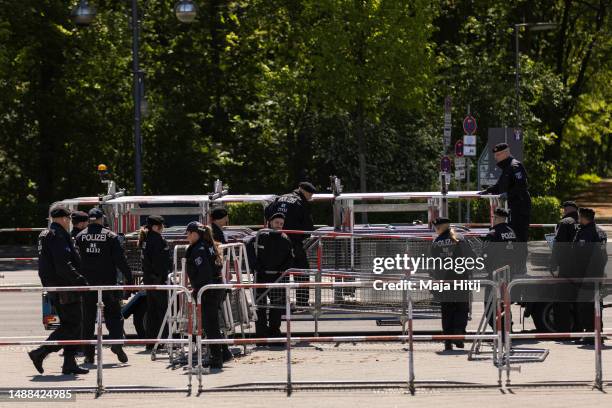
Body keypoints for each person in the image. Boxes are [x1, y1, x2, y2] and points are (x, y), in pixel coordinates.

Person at [28, 204, 89, 375]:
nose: (70, 222)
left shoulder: (46, 233)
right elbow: (63, 264)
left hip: (56, 286)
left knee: (71, 324)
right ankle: (41, 352)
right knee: (74, 324)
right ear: (63, 219)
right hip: (65, 287)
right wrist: (79, 280)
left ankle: (69, 363)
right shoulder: (57, 235)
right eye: (69, 219)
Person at [75, 208, 133, 364]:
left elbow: (75, 261)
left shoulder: (80, 236)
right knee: (114, 315)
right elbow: (120, 260)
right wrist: (130, 277)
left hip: (87, 285)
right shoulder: (110, 236)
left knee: (87, 319)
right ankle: (116, 343)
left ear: (89, 220)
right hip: (108, 284)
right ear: (101, 219)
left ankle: (88, 355)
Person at [266, 181, 316, 307]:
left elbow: (267, 213)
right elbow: (308, 227)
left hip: (275, 242)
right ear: (305, 192)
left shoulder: (279, 198)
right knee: (302, 272)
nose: (310, 198)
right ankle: (302, 302)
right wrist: (303, 237)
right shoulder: (301, 202)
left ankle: (280, 304)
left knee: (280, 273)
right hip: (294, 243)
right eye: (310, 195)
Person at [429, 217, 474, 351]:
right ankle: (459, 335)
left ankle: (448, 341)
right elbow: (472, 257)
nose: (435, 230)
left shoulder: (436, 242)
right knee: (461, 309)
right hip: (461, 280)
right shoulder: (461, 238)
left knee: (447, 311)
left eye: (436, 228)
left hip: (445, 281)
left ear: (441, 227)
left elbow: (433, 265)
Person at [184, 222, 225, 369]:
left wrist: (200, 291)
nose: (187, 237)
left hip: (208, 291)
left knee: (210, 325)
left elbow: (204, 273)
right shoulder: (207, 244)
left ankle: (217, 358)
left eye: (188, 233)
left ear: (195, 233)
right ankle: (224, 353)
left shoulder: (199, 249)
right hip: (214, 288)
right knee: (213, 323)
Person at [249, 213, 294, 339]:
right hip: (261, 276)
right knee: (259, 306)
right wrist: (256, 266)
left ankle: (274, 333)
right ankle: (261, 335)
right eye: (276, 223)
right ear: (270, 222)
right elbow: (249, 249)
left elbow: (290, 258)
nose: (278, 226)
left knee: (277, 307)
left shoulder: (285, 239)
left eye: (281, 224)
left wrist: (282, 270)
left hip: (278, 278)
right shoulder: (260, 236)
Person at [478, 143, 531, 243]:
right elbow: (499, 186)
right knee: (511, 237)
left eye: (498, 155)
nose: (495, 157)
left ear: (506, 153)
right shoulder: (507, 168)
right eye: (495, 155)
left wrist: (508, 194)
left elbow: (522, 185)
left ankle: (520, 258)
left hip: (519, 207)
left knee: (519, 236)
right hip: (512, 207)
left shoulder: (515, 165)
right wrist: (487, 191)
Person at [572, 207, 608, 345]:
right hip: (596, 274)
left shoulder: (586, 234)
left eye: (579, 217)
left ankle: (591, 334)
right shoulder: (600, 232)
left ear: (584, 217)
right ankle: (597, 332)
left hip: (587, 275)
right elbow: (603, 256)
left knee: (586, 306)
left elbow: (581, 256)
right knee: (596, 305)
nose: (578, 219)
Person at [138, 215, 171, 350]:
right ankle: (165, 341)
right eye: (162, 226)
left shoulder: (146, 239)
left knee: (152, 312)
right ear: (156, 227)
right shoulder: (157, 240)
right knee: (162, 311)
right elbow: (160, 262)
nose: (163, 228)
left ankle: (151, 342)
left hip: (149, 279)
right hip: (158, 279)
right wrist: (162, 275)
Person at [481, 208, 516, 330]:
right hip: (509, 274)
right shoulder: (511, 232)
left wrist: (488, 269)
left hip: (495, 275)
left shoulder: (493, 234)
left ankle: (498, 331)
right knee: (504, 303)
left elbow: (485, 254)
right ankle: (507, 329)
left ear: (496, 218)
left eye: (493, 218)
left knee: (490, 305)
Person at [551, 201, 580, 332]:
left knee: (562, 301)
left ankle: (563, 331)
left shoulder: (564, 223)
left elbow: (558, 246)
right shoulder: (586, 222)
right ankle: (580, 329)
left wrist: (553, 264)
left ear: (566, 209)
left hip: (567, 268)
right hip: (583, 268)